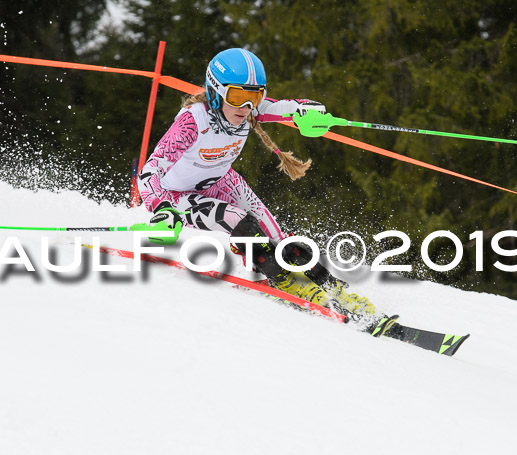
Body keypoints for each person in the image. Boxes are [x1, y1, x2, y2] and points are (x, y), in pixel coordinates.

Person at [137, 48, 379, 327]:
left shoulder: (249, 112)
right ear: (216, 92)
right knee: (238, 220)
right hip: (177, 195)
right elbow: (150, 169)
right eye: (237, 97)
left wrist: (308, 112)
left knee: (276, 234)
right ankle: (282, 280)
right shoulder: (194, 121)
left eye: (255, 97)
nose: (246, 107)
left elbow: (285, 108)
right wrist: (161, 208)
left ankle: (324, 280)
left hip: (220, 182)